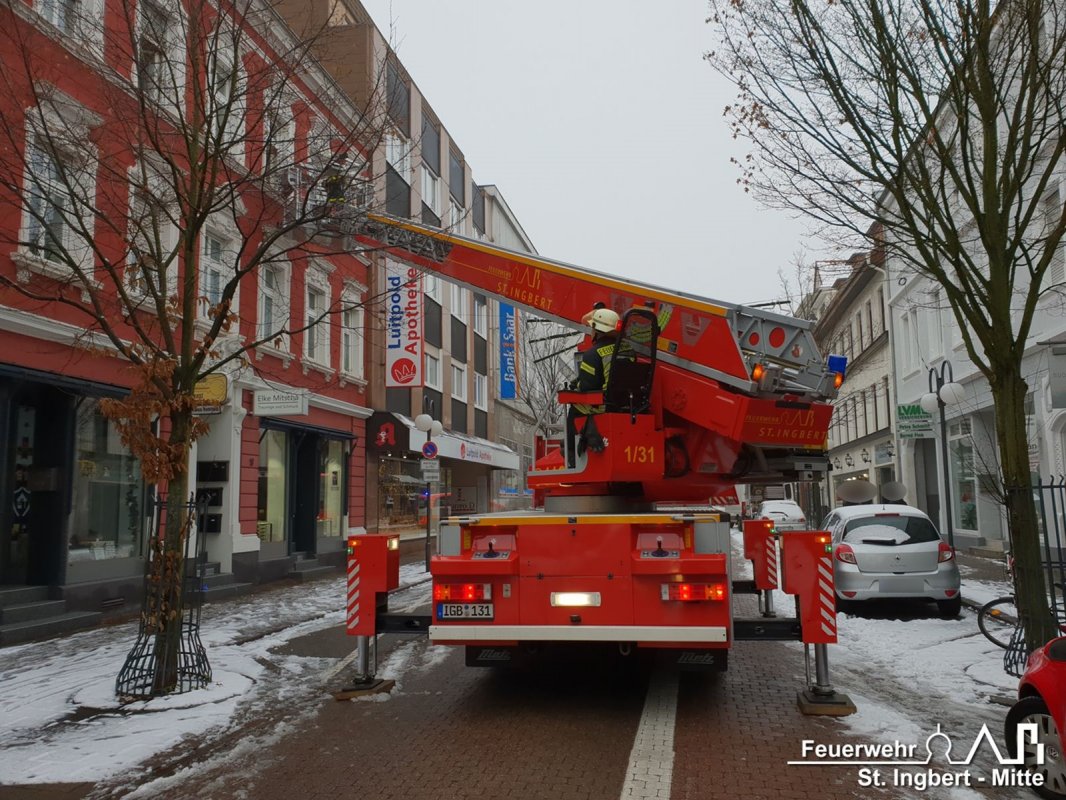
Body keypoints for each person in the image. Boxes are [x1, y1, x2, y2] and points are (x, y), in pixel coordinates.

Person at [566, 306, 620, 466]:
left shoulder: (592, 354)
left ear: (597, 329)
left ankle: (571, 454)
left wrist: (574, 387)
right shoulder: (627, 350)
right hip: (625, 406)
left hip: (603, 406)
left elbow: (586, 388)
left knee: (574, 408)